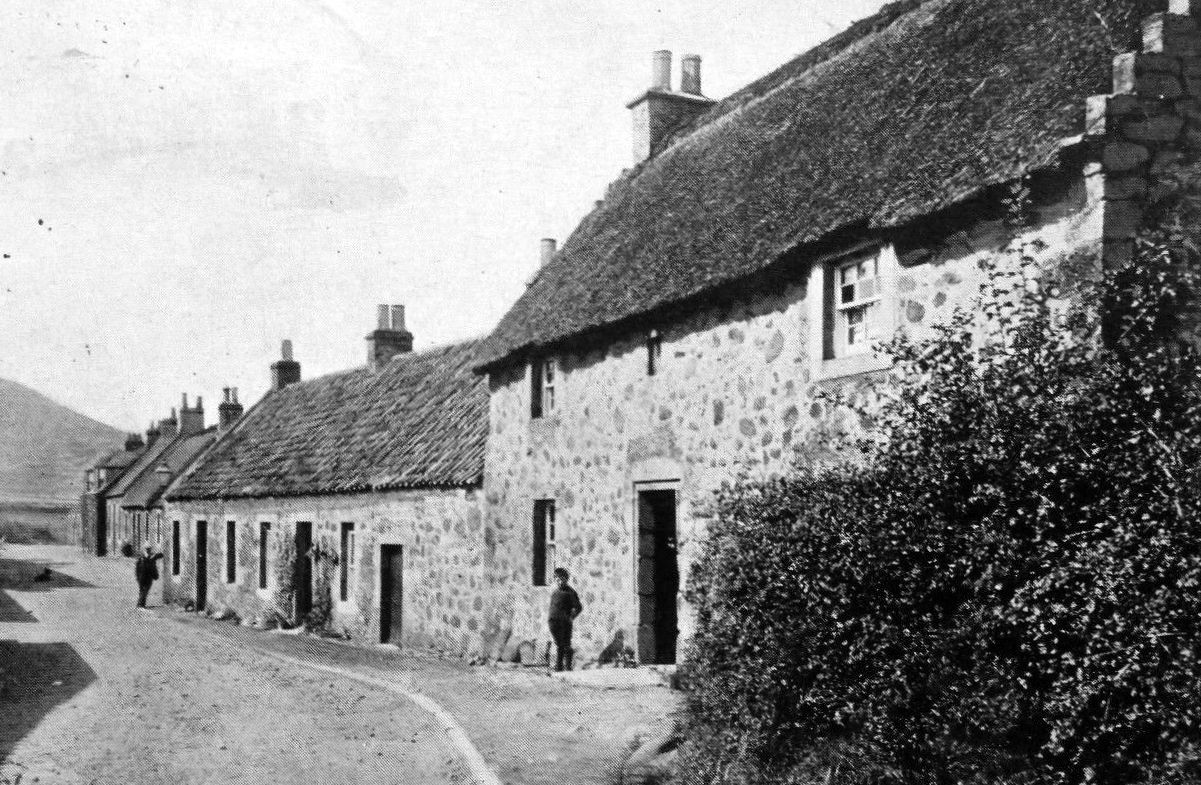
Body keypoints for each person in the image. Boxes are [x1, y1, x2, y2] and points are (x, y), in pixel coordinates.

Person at [548, 567, 583, 671]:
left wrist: (571, 618)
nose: (559, 582)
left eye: (561, 579)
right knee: (559, 644)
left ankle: (567, 667)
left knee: (566, 645)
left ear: (566, 579)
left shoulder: (570, 592)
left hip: (564, 622)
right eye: (557, 579)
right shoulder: (555, 592)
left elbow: (578, 607)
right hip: (553, 622)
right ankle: (559, 667)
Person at [135, 543, 165, 609]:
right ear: (145, 550)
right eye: (147, 549)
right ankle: (140, 604)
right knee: (144, 590)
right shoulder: (144, 558)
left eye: (149, 549)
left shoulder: (146, 557)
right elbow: (138, 569)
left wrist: (162, 552)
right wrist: (138, 577)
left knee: (144, 590)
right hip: (144, 577)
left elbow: (159, 555)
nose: (148, 550)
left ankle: (141, 604)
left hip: (146, 577)